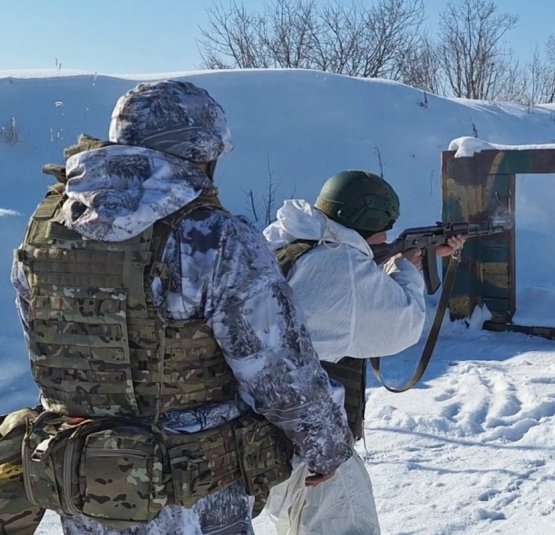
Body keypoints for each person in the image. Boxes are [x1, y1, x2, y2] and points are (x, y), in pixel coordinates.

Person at [10, 80, 352, 535]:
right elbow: (278, 367)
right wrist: (325, 444)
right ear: (201, 152)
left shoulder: (50, 227)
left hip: (88, 482)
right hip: (196, 487)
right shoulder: (213, 237)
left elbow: (44, 337)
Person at [263, 170, 464, 534]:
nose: (387, 237)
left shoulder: (296, 244)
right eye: (385, 228)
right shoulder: (339, 265)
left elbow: (349, 294)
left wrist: (408, 256)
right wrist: (408, 266)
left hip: (277, 429)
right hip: (315, 439)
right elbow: (402, 325)